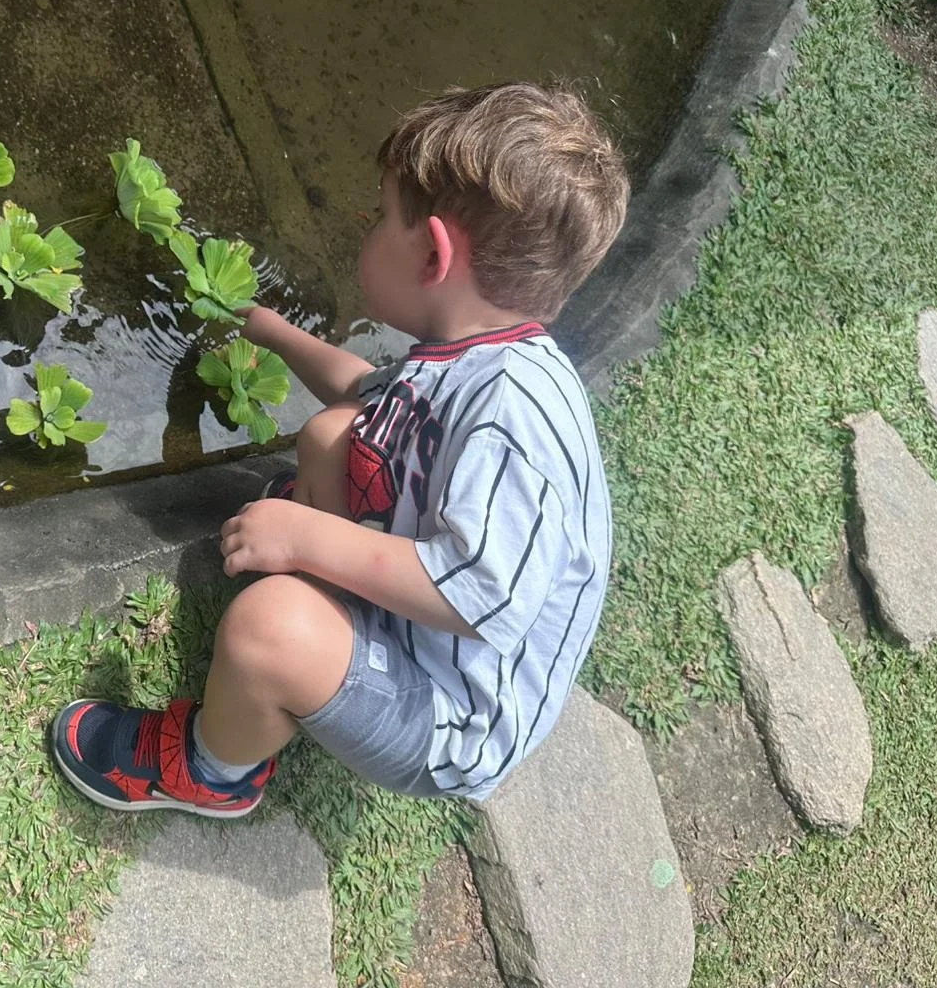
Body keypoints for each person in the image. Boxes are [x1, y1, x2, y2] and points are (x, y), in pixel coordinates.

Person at [50, 82, 629, 815]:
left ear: (432, 257)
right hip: (427, 614)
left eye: (380, 217)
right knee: (334, 434)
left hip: (450, 711)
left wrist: (308, 537)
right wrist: (275, 332)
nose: (368, 228)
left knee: (267, 629)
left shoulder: (514, 417)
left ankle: (211, 771)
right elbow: (367, 392)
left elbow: (477, 593)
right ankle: (326, 609)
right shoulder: (485, 348)